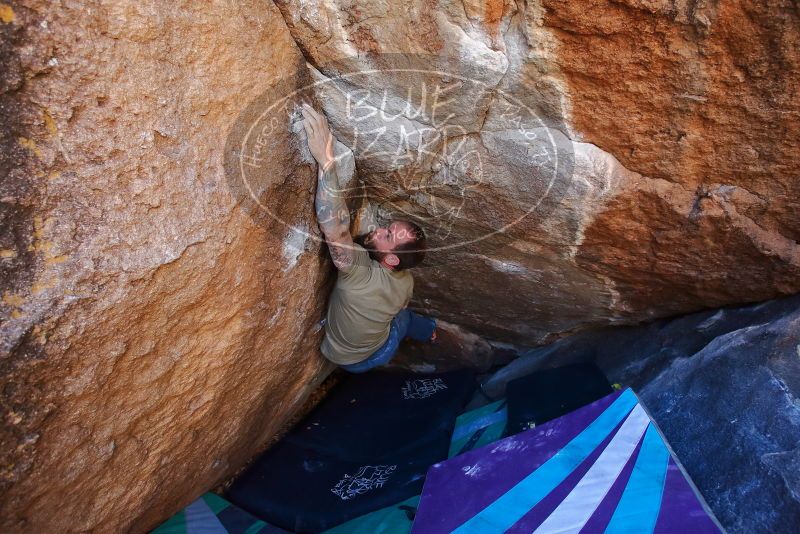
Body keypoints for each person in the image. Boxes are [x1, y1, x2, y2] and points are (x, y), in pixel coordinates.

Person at [300, 102, 437, 373]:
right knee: (402, 317)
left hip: (355, 361)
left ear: (391, 258)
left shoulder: (360, 270)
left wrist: (327, 162)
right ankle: (430, 331)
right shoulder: (406, 279)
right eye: (386, 226)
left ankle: (426, 329)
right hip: (381, 344)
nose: (377, 230)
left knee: (402, 319)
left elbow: (336, 229)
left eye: (386, 235)